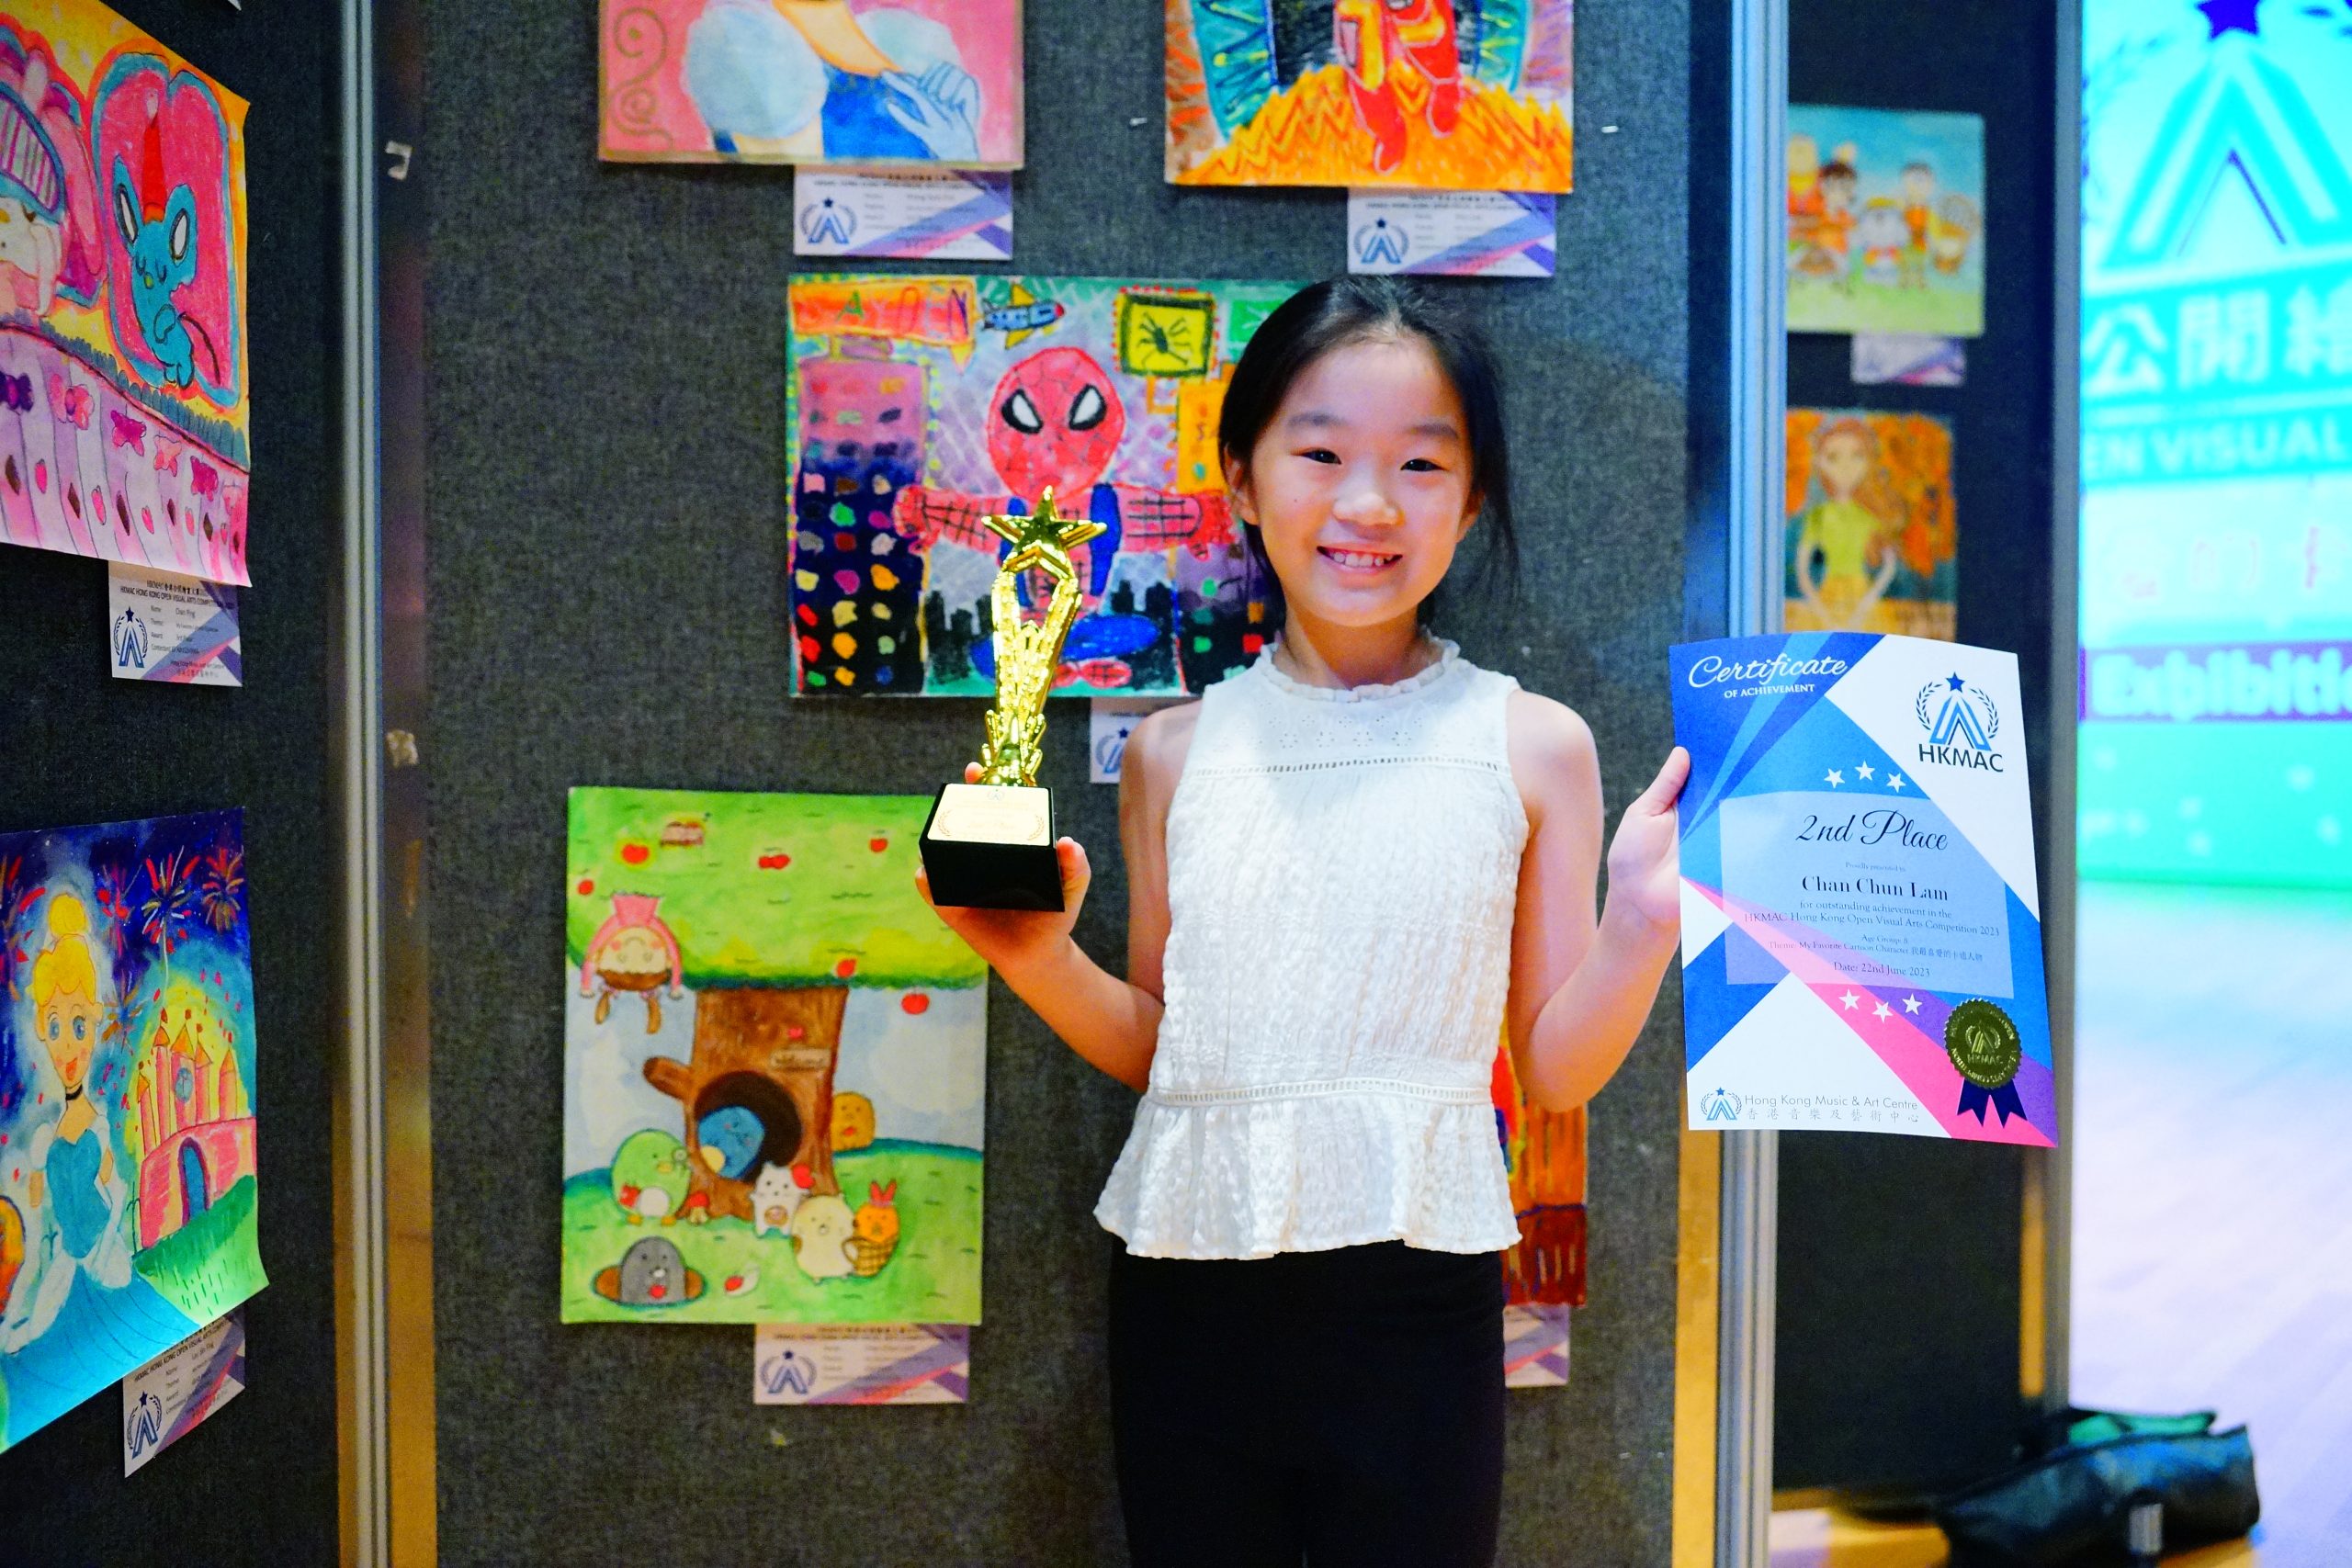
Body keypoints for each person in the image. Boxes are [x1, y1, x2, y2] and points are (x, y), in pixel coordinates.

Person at [920, 276, 1688, 1567]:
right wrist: (1038, 958)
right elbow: (1170, 1048)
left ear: (1473, 499)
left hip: (1421, 1300)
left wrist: (1642, 930)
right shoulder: (1171, 754)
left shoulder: (1533, 743)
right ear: (1242, 477)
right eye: (1321, 453)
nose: (1369, 503)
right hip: (1188, 1289)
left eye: (1421, 464)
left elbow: (1554, 1069)